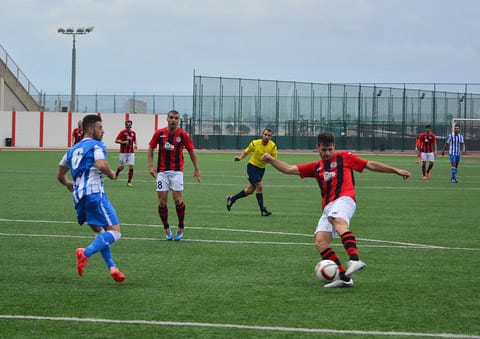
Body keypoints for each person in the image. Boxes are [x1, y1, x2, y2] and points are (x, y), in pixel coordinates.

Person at [261, 132, 410, 288]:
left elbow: (370, 164)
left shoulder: (345, 157)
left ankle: (354, 260)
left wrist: (395, 170)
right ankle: (344, 278)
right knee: (320, 242)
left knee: (339, 221)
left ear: (334, 147)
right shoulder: (316, 167)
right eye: (324, 149)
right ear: (318, 147)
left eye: (330, 149)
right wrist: (271, 160)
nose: (327, 153)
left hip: (345, 199)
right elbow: (289, 169)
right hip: (328, 207)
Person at [56, 114, 126, 283]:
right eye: (100, 128)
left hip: (78, 198)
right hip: (94, 194)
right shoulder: (97, 145)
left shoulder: (72, 149)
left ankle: (112, 267)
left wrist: (68, 184)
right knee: (115, 233)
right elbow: (101, 165)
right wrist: (111, 174)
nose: (103, 131)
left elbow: (59, 175)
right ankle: (84, 253)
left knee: (100, 233)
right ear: (90, 129)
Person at [147, 110, 201, 241]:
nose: (173, 120)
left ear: (178, 120)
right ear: (167, 119)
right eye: (171, 118)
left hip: (177, 172)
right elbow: (150, 148)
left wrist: (196, 169)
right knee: (162, 202)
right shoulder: (159, 133)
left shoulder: (183, 135)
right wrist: (151, 166)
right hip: (162, 172)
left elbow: (191, 151)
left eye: (176, 118)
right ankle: (166, 227)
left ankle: (181, 226)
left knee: (177, 200)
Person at [226, 128, 277, 216]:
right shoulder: (255, 143)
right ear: (262, 135)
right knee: (260, 186)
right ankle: (263, 210)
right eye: (265, 134)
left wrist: (267, 159)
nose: (267, 137)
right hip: (252, 167)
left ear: (271, 137)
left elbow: (274, 159)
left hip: (261, 169)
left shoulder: (272, 146)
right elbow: (247, 151)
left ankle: (232, 198)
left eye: (269, 135)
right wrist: (240, 158)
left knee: (249, 191)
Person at [114, 120, 138, 187]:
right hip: (123, 153)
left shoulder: (133, 133)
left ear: (131, 125)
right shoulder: (122, 132)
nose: (128, 127)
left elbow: (134, 139)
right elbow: (116, 140)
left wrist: (136, 144)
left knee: (131, 167)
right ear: (125, 125)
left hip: (131, 152)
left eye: (129, 125)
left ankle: (129, 182)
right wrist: (123, 142)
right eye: (127, 125)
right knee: (121, 167)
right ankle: (116, 175)